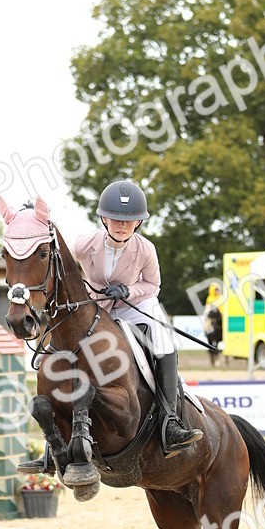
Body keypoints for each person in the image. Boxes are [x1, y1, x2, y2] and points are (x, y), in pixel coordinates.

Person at [73, 180, 203, 456]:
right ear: (104, 219)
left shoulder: (145, 250)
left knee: (163, 342)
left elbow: (153, 286)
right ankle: (58, 440)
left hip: (136, 305)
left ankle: (171, 423)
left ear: (138, 224)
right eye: (117, 219)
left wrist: (128, 290)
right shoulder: (84, 245)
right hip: (99, 307)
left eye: (129, 221)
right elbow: (69, 274)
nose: (122, 226)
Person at [203, 302, 223, 367]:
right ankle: (213, 361)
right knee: (211, 346)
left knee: (214, 346)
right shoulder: (209, 312)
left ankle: (215, 360)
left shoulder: (217, 312)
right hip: (211, 330)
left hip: (216, 331)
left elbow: (220, 320)